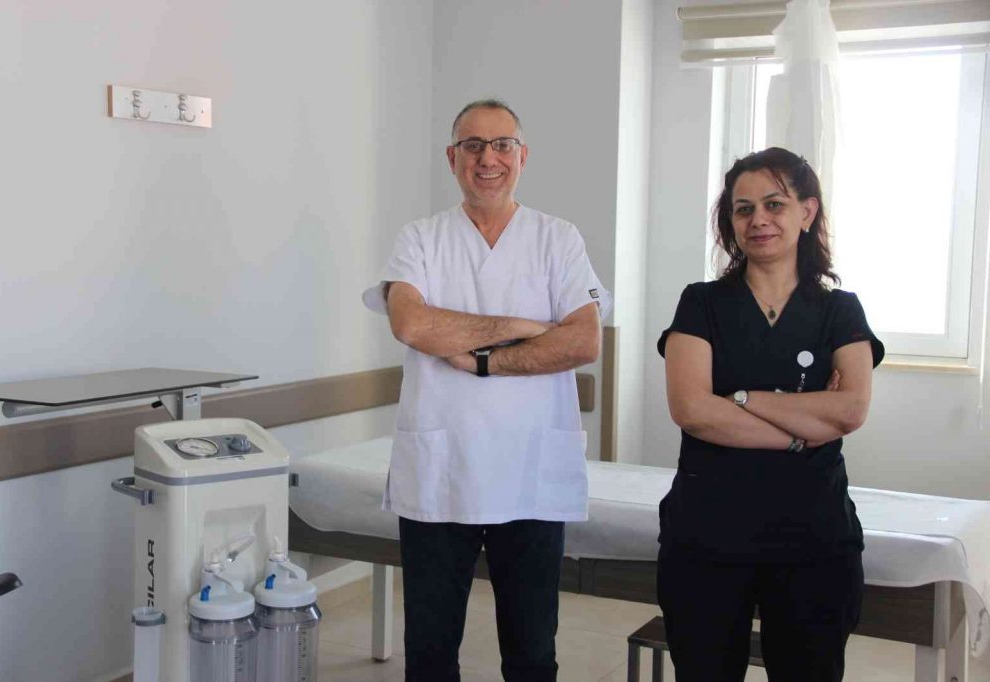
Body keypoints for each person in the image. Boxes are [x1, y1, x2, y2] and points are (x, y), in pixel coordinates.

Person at [362, 99, 612, 682]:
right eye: (473, 146)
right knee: (430, 653)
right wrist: (524, 326)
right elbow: (411, 324)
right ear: (452, 158)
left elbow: (582, 342)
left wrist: (481, 362)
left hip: (530, 473)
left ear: (523, 156)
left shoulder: (557, 239)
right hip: (440, 471)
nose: (488, 158)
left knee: (531, 654)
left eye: (502, 145)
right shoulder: (421, 239)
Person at [656, 147, 884, 682]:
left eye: (774, 204)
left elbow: (850, 409)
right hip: (708, 538)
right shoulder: (701, 303)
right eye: (743, 209)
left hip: (813, 541)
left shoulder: (840, 311)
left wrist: (739, 397)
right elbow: (691, 410)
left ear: (807, 212)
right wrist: (802, 430)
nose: (758, 219)